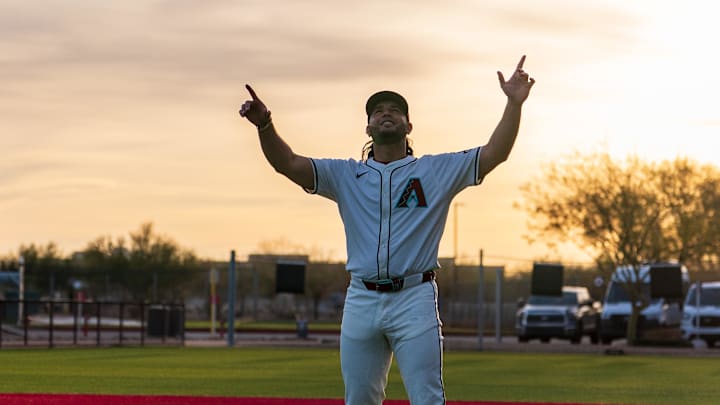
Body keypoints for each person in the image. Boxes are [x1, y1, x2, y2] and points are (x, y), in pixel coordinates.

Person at [239, 55, 535, 405]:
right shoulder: (346, 175)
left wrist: (513, 105)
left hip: (415, 297)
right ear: (368, 127)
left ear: (409, 126)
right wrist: (265, 125)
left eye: (395, 109)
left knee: (427, 398)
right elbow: (287, 163)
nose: (386, 113)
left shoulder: (434, 171)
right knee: (360, 398)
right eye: (378, 110)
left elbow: (493, 154)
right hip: (362, 298)